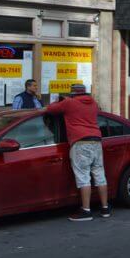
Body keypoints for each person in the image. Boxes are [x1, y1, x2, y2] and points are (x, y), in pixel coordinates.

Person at [45, 84, 109, 222]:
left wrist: (60, 100)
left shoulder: (69, 103)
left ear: (73, 93)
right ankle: (105, 208)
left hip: (80, 142)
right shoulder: (93, 104)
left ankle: (86, 211)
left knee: (83, 176)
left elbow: (50, 109)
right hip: (96, 141)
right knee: (99, 175)